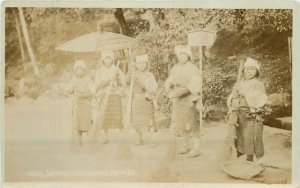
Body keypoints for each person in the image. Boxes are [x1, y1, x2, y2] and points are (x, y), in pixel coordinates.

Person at [227, 57, 268, 164]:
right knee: (242, 138)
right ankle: (247, 160)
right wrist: (233, 96)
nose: (249, 71)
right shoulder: (239, 83)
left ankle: (259, 161)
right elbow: (232, 98)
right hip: (239, 115)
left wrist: (243, 93)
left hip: (252, 114)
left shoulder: (258, 83)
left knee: (254, 138)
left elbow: (260, 99)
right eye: (247, 69)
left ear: (257, 72)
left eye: (252, 69)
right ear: (243, 70)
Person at [165, 45, 202, 158]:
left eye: (184, 55)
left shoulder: (193, 68)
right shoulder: (175, 68)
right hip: (178, 99)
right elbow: (170, 81)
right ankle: (185, 146)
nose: (182, 57)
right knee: (181, 123)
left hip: (190, 98)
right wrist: (170, 88)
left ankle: (196, 148)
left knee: (192, 123)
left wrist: (180, 89)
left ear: (188, 56)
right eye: (180, 55)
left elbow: (194, 86)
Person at [93, 50, 126, 144]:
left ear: (112, 59)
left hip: (114, 94)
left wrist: (117, 79)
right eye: (106, 58)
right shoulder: (99, 71)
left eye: (109, 58)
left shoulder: (116, 69)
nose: (108, 60)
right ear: (103, 60)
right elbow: (97, 85)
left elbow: (123, 82)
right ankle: (105, 137)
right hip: (104, 95)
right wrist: (108, 81)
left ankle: (120, 136)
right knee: (105, 116)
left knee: (117, 115)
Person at [126, 54, 158, 146]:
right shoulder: (134, 73)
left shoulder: (149, 75)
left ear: (146, 64)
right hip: (135, 99)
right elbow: (127, 81)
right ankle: (139, 138)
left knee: (150, 119)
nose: (141, 65)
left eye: (143, 63)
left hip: (146, 99)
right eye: (139, 63)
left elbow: (150, 88)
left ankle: (153, 139)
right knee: (136, 120)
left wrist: (138, 80)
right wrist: (129, 70)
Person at [66, 60, 93, 147]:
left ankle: (90, 141)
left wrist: (85, 95)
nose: (79, 71)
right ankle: (78, 141)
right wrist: (70, 90)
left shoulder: (88, 79)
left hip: (86, 104)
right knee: (77, 124)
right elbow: (67, 91)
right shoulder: (73, 80)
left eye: (81, 69)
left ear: (84, 70)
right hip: (77, 104)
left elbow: (93, 91)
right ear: (75, 71)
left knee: (88, 122)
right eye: (77, 69)